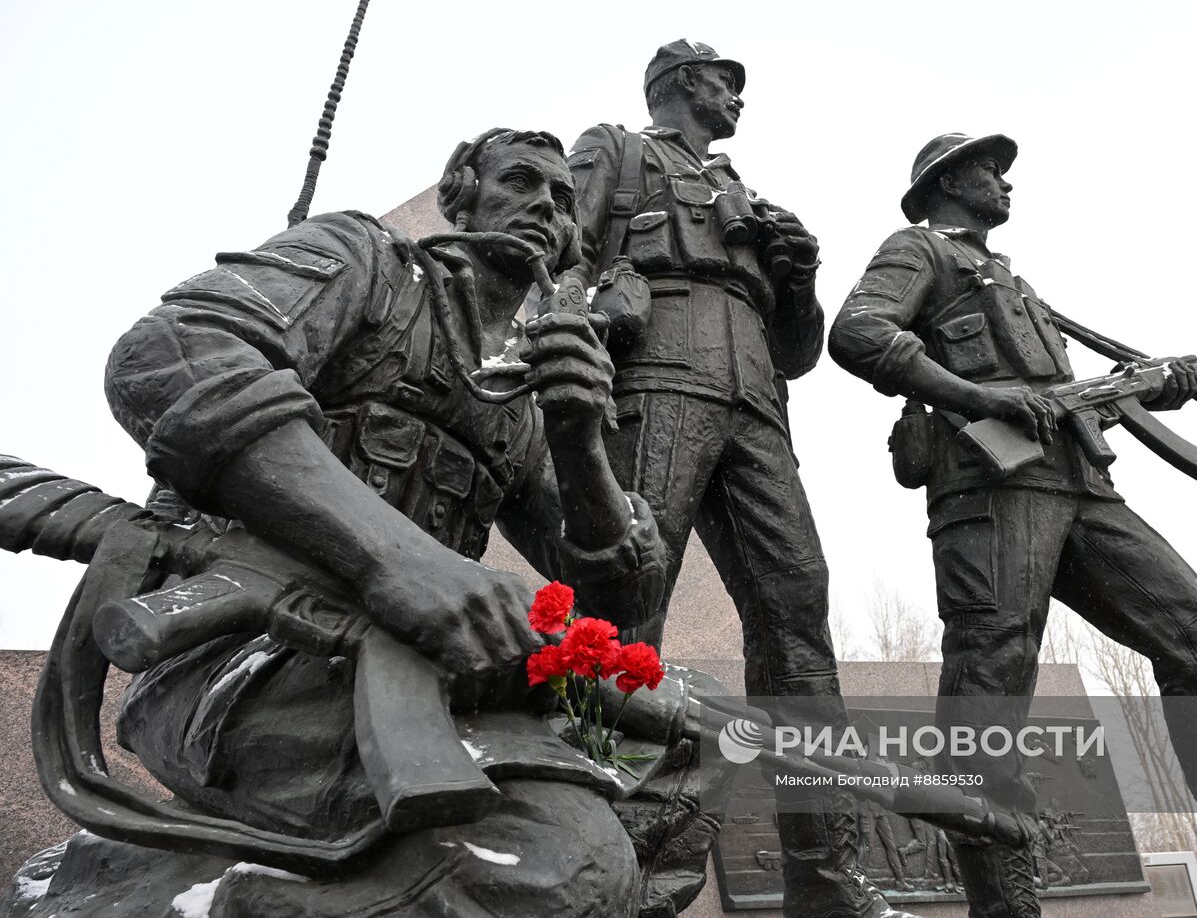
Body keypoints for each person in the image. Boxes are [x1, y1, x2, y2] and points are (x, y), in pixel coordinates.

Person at [9, 128, 714, 918]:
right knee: (565, 866)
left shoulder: (527, 382)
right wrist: (398, 561)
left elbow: (618, 608)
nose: (546, 208)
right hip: (250, 657)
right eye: (521, 182)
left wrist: (582, 439)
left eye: (561, 201)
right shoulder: (371, 265)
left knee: (692, 753)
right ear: (460, 194)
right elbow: (169, 354)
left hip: (423, 680)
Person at [827, 132, 1197, 918]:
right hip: (990, 491)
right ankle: (1003, 901)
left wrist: (1162, 384)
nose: (1005, 181)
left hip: (1079, 484)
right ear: (950, 181)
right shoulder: (917, 249)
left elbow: (1059, 391)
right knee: (992, 683)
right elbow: (858, 333)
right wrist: (980, 398)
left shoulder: (1014, 282)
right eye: (991, 169)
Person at [563, 40, 910, 918]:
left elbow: (797, 353)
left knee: (797, 611)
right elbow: (560, 248)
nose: (738, 99)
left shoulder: (751, 199)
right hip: (657, 377)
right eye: (726, 82)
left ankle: (824, 875)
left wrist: (802, 275)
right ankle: (598, 854)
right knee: (628, 593)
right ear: (683, 84)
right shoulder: (618, 148)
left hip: (756, 399)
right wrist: (585, 327)